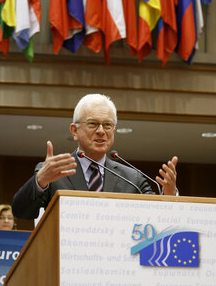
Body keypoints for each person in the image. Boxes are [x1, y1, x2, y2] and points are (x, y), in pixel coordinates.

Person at [12, 94, 178, 220]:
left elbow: (159, 219)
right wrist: (40, 181)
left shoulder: (131, 178)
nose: (101, 131)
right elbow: (21, 212)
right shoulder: (52, 171)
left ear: (113, 131)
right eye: (92, 123)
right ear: (74, 130)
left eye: (107, 125)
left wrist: (170, 196)